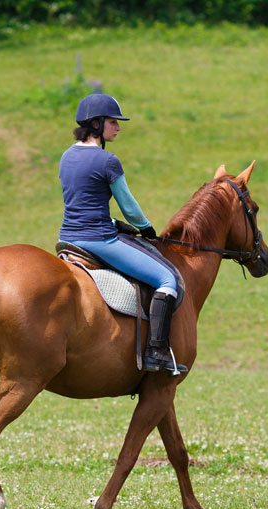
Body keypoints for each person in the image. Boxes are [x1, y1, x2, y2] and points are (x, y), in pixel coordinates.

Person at [58, 93, 187, 374]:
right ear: (96, 124)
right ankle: (156, 352)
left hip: (68, 238)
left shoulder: (66, 156)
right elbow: (129, 207)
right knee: (166, 279)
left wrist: (116, 224)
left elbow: (83, 203)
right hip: (99, 241)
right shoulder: (108, 161)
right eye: (113, 122)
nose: (118, 127)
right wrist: (145, 228)